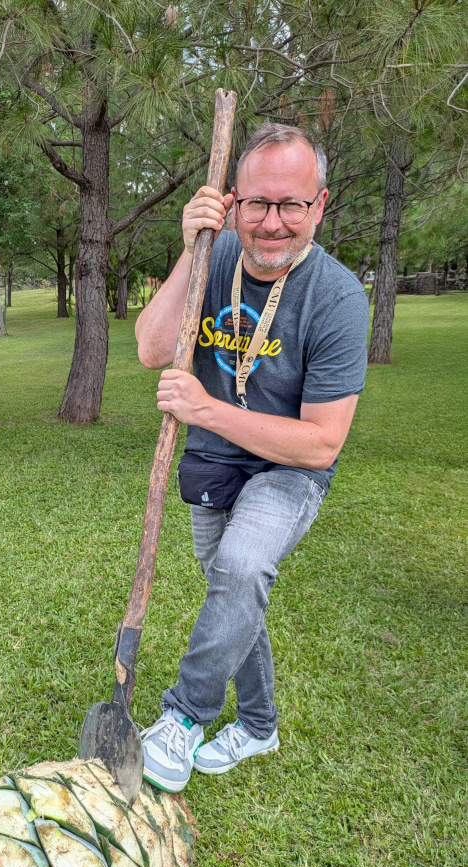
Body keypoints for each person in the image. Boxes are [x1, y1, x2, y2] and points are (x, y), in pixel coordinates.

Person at [134, 123, 369, 792]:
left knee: (240, 568)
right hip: (215, 464)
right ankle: (260, 724)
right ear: (232, 201)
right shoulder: (216, 255)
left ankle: (184, 717)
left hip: (288, 470)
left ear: (319, 205)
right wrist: (191, 251)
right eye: (257, 204)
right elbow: (153, 348)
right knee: (235, 599)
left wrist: (205, 408)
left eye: (291, 204)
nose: (272, 223)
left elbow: (322, 440)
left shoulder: (338, 297)